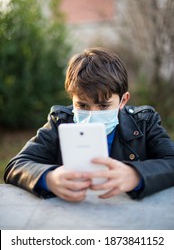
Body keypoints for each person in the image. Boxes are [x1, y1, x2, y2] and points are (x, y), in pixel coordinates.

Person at [4, 47, 174, 202]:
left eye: (104, 105)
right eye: (83, 105)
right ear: (72, 99)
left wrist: (136, 175)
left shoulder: (145, 122)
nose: (93, 114)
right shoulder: (60, 122)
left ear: (124, 100)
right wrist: (49, 179)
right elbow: (17, 165)